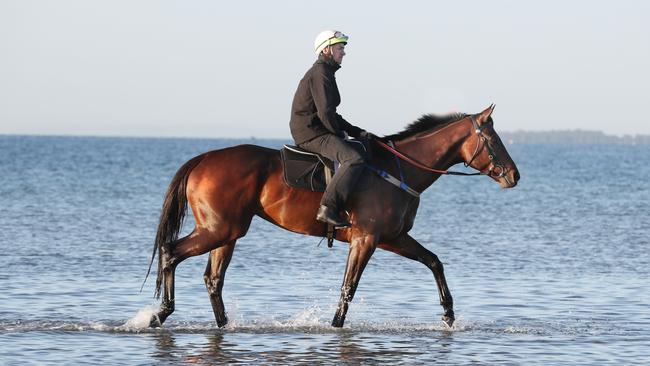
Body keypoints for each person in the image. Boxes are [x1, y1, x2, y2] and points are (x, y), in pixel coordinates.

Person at [289, 30, 377, 227]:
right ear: (327, 49)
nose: (343, 53)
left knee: (359, 146)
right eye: (340, 48)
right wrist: (339, 135)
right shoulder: (320, 73)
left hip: (316, 128)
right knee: (354, 157)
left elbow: (331, 114)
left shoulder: (326, 72)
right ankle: (327, 208)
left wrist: (357, 132)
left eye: (343, 48)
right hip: (311, 132)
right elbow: (326, 114)